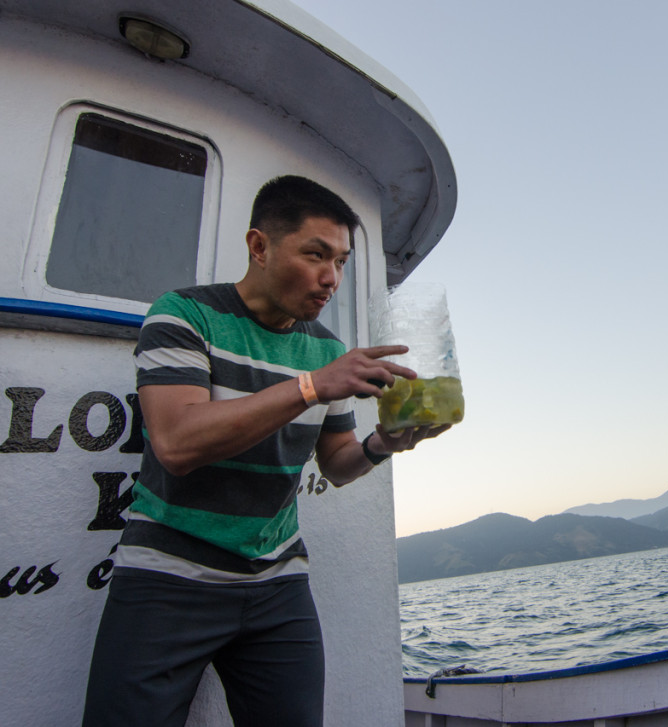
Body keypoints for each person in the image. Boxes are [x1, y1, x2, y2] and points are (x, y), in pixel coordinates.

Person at [82, 175, 449, 726]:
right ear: (259, 246)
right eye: (315, 254)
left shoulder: (325, 347)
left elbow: (337, 463)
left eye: (343, 262)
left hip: (277, 585)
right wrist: (311, 386)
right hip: (167, 578)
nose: (332, 279)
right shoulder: (184, 315)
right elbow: (177, 443)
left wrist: (383, 443)